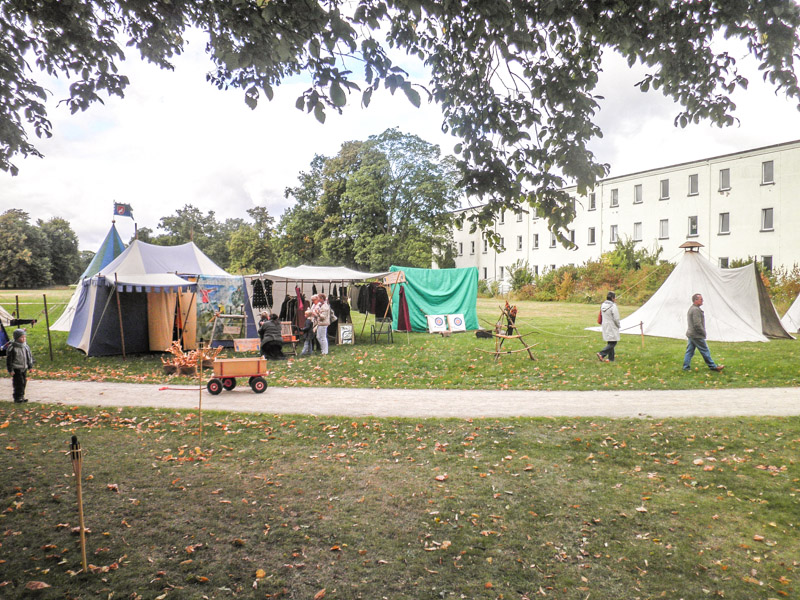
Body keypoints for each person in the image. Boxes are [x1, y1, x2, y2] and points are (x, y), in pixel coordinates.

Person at [684, 293, 724, 372]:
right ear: (695, 300)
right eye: (701, 299)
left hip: (691, 334)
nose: (702, 301)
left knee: (690, 351)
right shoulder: (695, 310)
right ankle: (713, 366)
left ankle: (686, 367)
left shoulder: (692, 308)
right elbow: (697, 324)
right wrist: (703, 332)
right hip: (696, 335)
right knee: (705, 350)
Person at [7, 328, 34, 403]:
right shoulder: (12, 348)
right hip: (16, 368)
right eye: (21, 337)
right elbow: (9, 360)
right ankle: (17, 397)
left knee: (24, 382)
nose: (23, 339)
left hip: (24, 367)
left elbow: (29, 357)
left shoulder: (25, 347)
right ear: (16, 338)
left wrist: (30, 366)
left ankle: (22, 396)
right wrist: (10, 370)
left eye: (24, 337)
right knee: (18, 383)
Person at [596, 291, 621, 362]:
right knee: (613, 342)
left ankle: (611, 358)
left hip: (605, 325)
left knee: (610, 341)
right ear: (613, 298)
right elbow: (616, 318)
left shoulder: (602, 305)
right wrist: (618, 325)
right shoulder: (613, 306)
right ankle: (602, 354)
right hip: (612, 325)